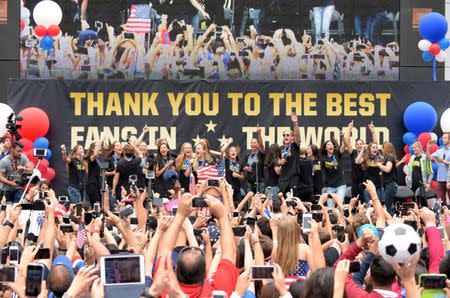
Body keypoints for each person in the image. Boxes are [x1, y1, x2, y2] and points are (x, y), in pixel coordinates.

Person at [155, 192, 239, 297]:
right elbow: (230, 253)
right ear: (205, 273)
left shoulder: (164, 288)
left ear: (175, 270)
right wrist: (222, 216)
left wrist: (180, 214)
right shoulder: (217, 291)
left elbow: (163, 250)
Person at [345, 120, 378, 200]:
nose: (359, 145)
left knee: (365, 201)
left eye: (361, 144)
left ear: (364, 145)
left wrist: (373, 131)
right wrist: (349, 129)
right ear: (355, 146)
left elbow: (375, 143)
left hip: (365, 181)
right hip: (355, 182)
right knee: (355, 201)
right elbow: (347, 141)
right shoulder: (353, 153)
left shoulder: (367, 153)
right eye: (358, 144)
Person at [320, 137, 348, 208]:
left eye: (332, 144)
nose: (331, 146)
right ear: (325, 148)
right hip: (330, 186)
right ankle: (331, 219)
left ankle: (341, 218)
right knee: (330, 207)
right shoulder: (323, 158)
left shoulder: (337, 154)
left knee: (339, 203)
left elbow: (344, 145)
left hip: (340, 184)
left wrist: (343, 137)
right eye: (328, 145)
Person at [278, 113, 301, 195]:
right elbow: (277, 162)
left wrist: (295, 123)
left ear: (292, 137)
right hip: (282, 179)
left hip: (292, 178)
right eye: (284, 135)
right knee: (282, 201)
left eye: (287, 135)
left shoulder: (294, 146)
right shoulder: (280, 148)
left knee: (293, 201)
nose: (285, 136)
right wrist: (279, 162)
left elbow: (298, 137)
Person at [406, 142, 433, 206]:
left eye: (415, 147)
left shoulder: (425, 158)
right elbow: (409, 170)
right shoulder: (412, 157)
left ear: (420, 148)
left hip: (422, 184)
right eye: (413, 148)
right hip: (412, 184)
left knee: (423, 203)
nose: (413, 149)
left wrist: (428, 183)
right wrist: (408, 180)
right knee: (414, 204)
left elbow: (430, 172)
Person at [243, 126, 265, 194]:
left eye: (255, 142)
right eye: (252, 143)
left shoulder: (261, 153)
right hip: (250, 182)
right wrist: (245, 168)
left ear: (258, 145)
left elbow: (261, 145)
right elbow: (242, 165)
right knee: (250, 199)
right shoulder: (247, 154)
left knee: (260, 199)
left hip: (260, 181)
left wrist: (259, 134)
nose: (253, 144)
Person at [379, 141, 398, 215]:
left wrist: (379, 165)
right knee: (389, 205)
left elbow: (387, 169)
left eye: (383, 149)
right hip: (388, 185)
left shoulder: (389, 157)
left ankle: (391, 223)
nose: (382, 151)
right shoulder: (388, 158)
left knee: (388, 207)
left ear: (385, 148)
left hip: (390, 184)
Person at [431, 132, 450, 203]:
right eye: (442, 138)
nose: (443, 139)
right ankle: (444, 214)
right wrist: (428, 147)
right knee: (441, 202)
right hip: (440, 179)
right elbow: (429, 158)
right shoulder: (439, 151)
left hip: (449, 179)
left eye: (445, 138)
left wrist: (442, 160)